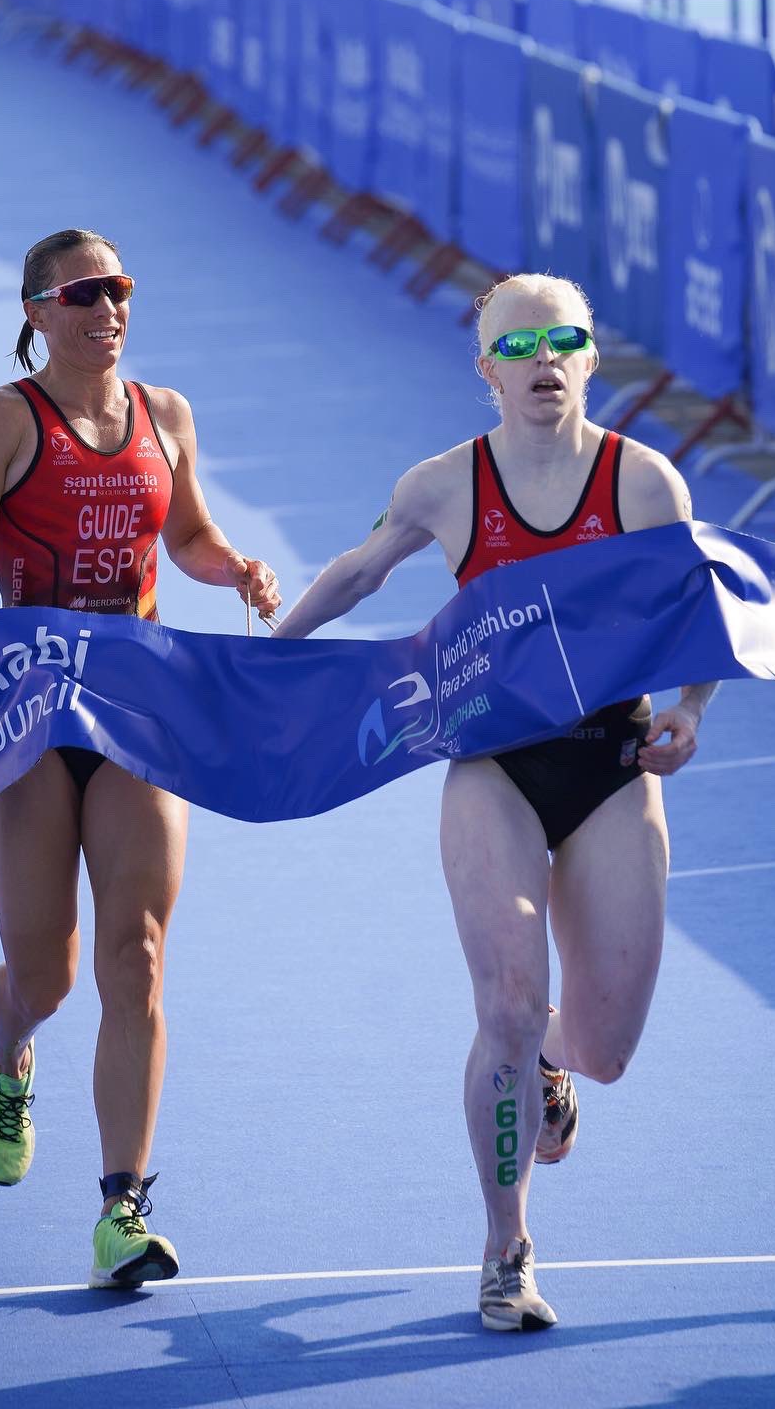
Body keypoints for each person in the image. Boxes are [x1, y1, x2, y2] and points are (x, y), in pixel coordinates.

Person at [273, 273, 716, 1331]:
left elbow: (699, 614)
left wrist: (693, 713)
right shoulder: (443, 485)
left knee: (600, 1050)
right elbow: (359, 573)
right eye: (518, 348)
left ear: (593, 359)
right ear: (486, 373)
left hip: (610, 766)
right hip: (493, 768)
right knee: (507, 1005)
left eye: (564, 341)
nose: (543, 362)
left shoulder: (646, 483)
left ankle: (554, 1062)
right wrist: (261, 662)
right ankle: (506, 1246)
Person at [0, 228, 281, 1289]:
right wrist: (15, 669)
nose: (108, 309)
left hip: (137, 714)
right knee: (47, 974)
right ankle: (7, 1051)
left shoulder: (164, 415)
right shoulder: (2, 420)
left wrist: (239, 572)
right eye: (84, 294)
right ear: (37, 311)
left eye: (120, 289)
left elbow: (188, 537)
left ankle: (122, 1212)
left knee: (135, 956)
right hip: (37, 725)